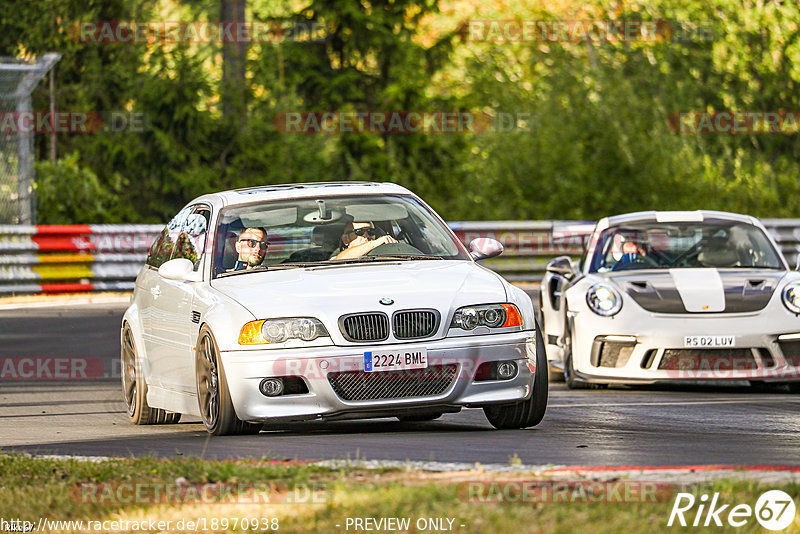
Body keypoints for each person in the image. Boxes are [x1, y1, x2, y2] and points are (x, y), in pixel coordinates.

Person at [332, 221, 396, 260]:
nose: (367, 236)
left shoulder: (386, 254)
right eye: (360, 232)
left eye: (371, 231)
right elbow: (337, 260)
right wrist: (374, 243)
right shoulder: (338, 257)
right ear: (346, 239)